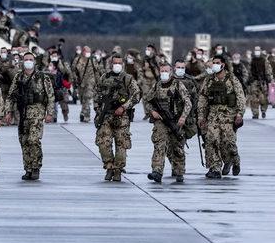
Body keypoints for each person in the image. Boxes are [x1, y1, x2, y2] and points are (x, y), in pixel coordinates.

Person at [6, 52, 54, 181]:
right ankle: (27, 168)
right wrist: (8, 112)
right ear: (22, 61)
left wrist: (50, 113)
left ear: (34, 62)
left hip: (37, 112)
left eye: (30, 59)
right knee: (24, 141)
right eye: (26, 59)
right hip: (22, 113)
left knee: (34, 140)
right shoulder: (18, 77)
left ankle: (36, 167)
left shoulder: (42, 77)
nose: (28, 61)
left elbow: (50, 96)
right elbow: (10, 96)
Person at [93, 54, 140, 182]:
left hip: (122, 116)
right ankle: (109, 167)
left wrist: (124, 107)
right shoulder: (104, 77)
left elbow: (136, 95)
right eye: (115, 63)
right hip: (106, 115)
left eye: (119, 63)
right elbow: (96, 93)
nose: (117, 65)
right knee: (103, 142)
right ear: (111, 64)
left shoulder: (128, 78)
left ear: (123, 64)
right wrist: (98, 109)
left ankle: (118, 169)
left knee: (122, 144)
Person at [198, 55, 245, 178]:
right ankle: (215, 168)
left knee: (228, 143)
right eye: (213, 62)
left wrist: (240, 113)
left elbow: (240, 97)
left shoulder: (232, 79)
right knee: (211, 140)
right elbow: (203, 98)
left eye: (217, 63)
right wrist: (201, 117)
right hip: (213, 116)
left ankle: (234, 160)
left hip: (228, 116)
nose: (214, 65)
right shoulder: (209, 80)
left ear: (223, 64)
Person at [145, 63, 191, 183]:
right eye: (162, 71)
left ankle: (179, 171)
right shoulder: (157, 85)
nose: (164, 73)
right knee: (159, 144)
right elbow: (147, 101)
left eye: (166, 71)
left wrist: (183, 117)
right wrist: (152, 112)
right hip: (160, 121)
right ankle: (157, 171)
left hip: (175, 120)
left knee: (177, 147)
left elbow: (188, 102)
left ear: (171, 72)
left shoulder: (178, 85)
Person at [71, 46, 100, 123]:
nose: (88, 53)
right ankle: (83, 112)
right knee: (82, 99)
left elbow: (96, 71)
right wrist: (75, 79)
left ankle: (86, 116)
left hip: (90, 81)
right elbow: (73, 70)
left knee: (87, 98)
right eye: (87, 51)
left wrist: (98, 82)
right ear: (83, 51)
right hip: (81, 82)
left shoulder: (93, 60)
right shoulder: (77, 60)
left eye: (89, 52)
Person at [247, 46, 272, 119]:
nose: (257, 51)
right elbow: (249, 71)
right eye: (256, 50)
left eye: (258, 50)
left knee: (263, 98)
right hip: (254, 81)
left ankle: (263, 110)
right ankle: (255, 113)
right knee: (254, 98)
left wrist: (269, 80)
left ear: (260, 51)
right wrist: (248, 80)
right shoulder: (252, 60)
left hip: (263, 81)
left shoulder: (265, 60)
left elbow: (268, 71)